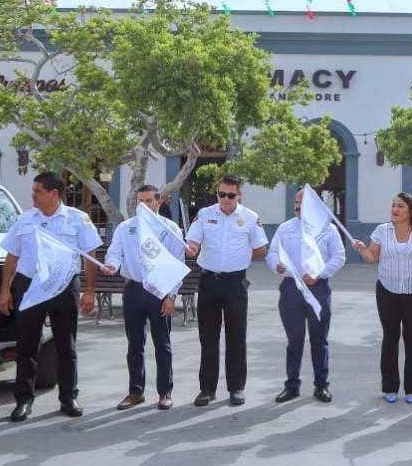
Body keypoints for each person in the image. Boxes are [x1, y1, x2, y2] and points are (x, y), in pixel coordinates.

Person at [0, 172, 101, 423]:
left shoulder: (78, 219)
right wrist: (4, 290)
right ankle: (23, 400)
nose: (32, 196)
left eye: (37, 192)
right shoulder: (25, 219)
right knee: (27, 346)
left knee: (67, 346)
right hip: (29, 286)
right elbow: (12, 256)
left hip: (63, 286)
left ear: (53, 194)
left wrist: (89, 291)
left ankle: (68, 397)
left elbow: (90, 256)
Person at [102, 185, 189, 411]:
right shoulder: (125, 228)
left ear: (157, 203)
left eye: (149, 200)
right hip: (134, 289)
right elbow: (114, 252)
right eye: (140, 201)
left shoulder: (170, 229)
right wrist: (112, 264)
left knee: (162, 343)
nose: (144, 205)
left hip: (160, 290)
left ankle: (165, 392)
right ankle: (135, 392)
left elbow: (177, 263)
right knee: (135, 344)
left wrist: (171, 296)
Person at [185, 175, 268, 407]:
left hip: (235, 284)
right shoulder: (205, 214)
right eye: (221, 194)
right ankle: (207, 389)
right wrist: (191, 249)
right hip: (209, 281)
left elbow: (260, 248)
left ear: (239, 195)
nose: (225, 199)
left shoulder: (250, 218)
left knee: (236, 336)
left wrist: (239, 258)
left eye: (231, 195)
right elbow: (193, 242)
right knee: (208, 337)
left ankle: (236, 388)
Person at [351, 193, 412, 404]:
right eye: (393, 206)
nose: (395, 209)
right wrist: (362, 250)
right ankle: (389, 387)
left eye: (400, 206)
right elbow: (372, 258)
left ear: (410, 210)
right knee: (390, 337)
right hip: (387, 290)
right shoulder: (381, 231)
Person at [267, 188, 346, 403]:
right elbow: (273, 254)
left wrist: (319, 274)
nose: (298, 206)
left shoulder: (327, 230)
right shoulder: (285, 228)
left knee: (319, 340)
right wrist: (278, 266)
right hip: (291, 289)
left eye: (303, 203)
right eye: (296, 202)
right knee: (294, 340)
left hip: (318, 289)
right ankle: (292, 386)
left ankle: (321, 386)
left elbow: (339, 256)